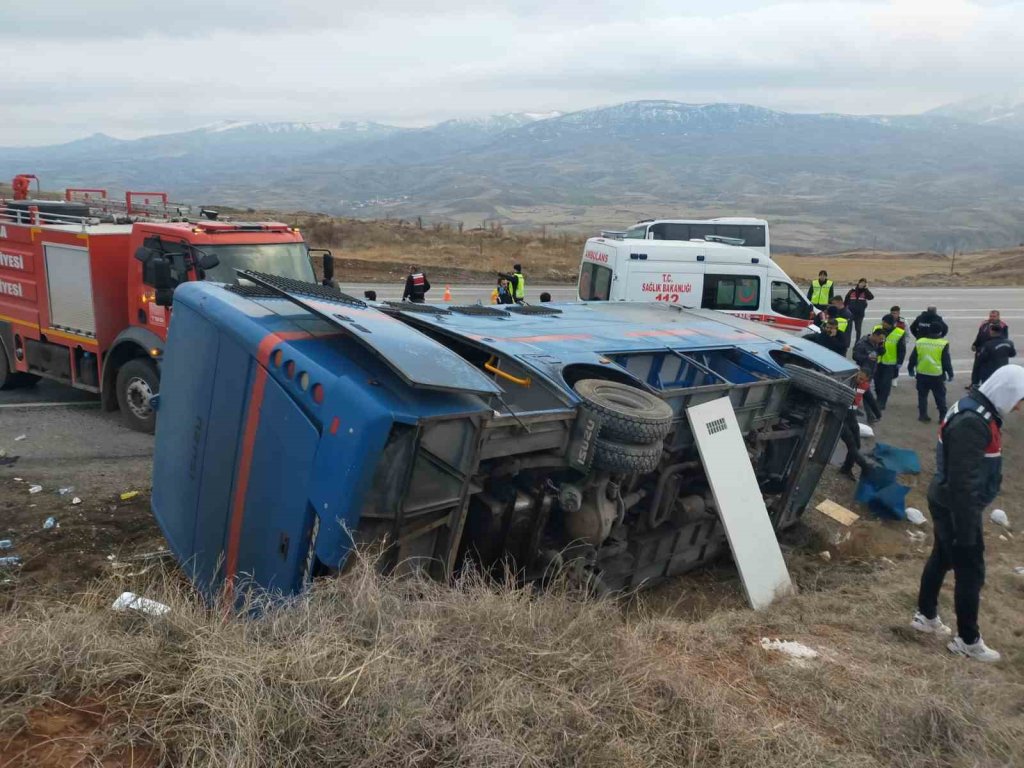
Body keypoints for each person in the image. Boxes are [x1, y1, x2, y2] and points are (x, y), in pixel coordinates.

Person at [912, 365, 1024, 662]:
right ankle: (968, 640)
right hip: (957, 507)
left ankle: (925, 616)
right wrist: (966, 533)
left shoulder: (978, 409)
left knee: (942, 557)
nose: (1017, 407)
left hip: (950, 501)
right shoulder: (973, 421)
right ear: (1006, 391)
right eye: (1018, 400)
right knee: (970, 570)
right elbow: (962, 482)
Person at [908, 327, 953, 422]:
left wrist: (910, 368)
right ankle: (942, 417)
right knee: (940, 396)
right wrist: (950, 373)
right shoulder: (943, 343)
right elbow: (946, 361)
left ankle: (922, 415)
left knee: (922, 396)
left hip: (922, 373)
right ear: (940, 332)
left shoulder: (920, 342)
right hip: (936, 375)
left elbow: (913, 357)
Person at [839, 369, 876, 480]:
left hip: (851, 417)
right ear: (857, 374)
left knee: (857, 445)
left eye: (863, 380)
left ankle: (846, 468)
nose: (860, 381)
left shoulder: (863, 385)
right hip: (839, 417)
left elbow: (869, 398)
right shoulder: (847, 383)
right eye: (859, 378)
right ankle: (864, 466)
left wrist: (877, 413)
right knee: (852, 444)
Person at [873, 314, 905, 410]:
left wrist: (899, 362)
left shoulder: (899, 333)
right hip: (877, 361)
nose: (883, 324)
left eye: (885, 323)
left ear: (891, 324)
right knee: (877, 382)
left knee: (885, 384)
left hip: (890, 363)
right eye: (883, 321)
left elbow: (901, 349)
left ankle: (882, 402)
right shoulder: (877, 328)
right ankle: (879, 398)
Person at [852, 329, 885, 423]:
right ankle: (871, 416)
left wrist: (881, 348)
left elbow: (881, 353)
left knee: (864, 394)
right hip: (863, 373)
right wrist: (867, 358)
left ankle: (866, 413)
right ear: (874, 335)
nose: (881, 340)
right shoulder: (862, 343)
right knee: (864, 394)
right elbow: (855, 356)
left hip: (871, 371)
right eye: (880, 338)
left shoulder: (877, 343)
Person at [970, 312, 1010, 388]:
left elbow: (1004, 339)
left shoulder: (1003, 326)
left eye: (994, 316)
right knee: (976, 367)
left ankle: (989, 386)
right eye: (991, 316)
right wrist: (974, 344)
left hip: (992, 351)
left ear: (998, 316)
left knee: (989, 369)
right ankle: (974, 383)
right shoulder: (984, 324)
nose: (991, 318)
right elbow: (979, 335)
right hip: (980, 350)